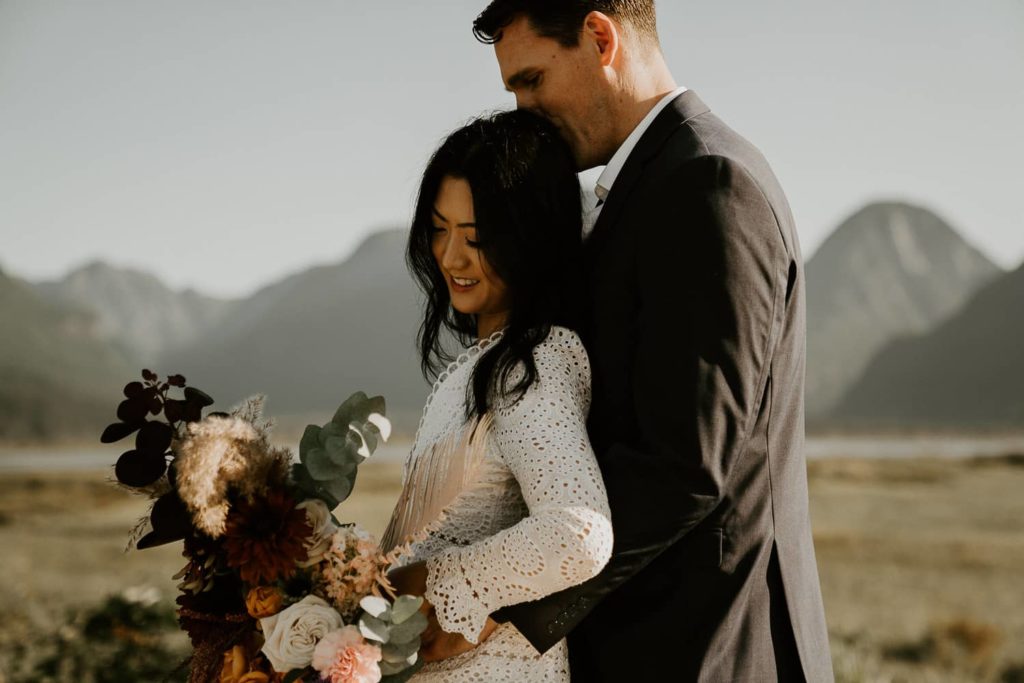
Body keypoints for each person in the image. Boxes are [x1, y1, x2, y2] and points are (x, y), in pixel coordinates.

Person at [462, 2, 835, 681]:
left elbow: (683, 462)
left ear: (600, 38)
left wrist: (499, 601)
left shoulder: (708, 184)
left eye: (532, 80)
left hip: (713, 648)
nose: (521, 108)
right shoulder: (644, 187)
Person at [384, 109, 614, 682]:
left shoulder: (533, 361)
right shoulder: (487, 363)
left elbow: (579, 534)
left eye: (477, 238)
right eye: (439, 229)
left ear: (530, 239)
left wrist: (439, 582)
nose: (451, 258)